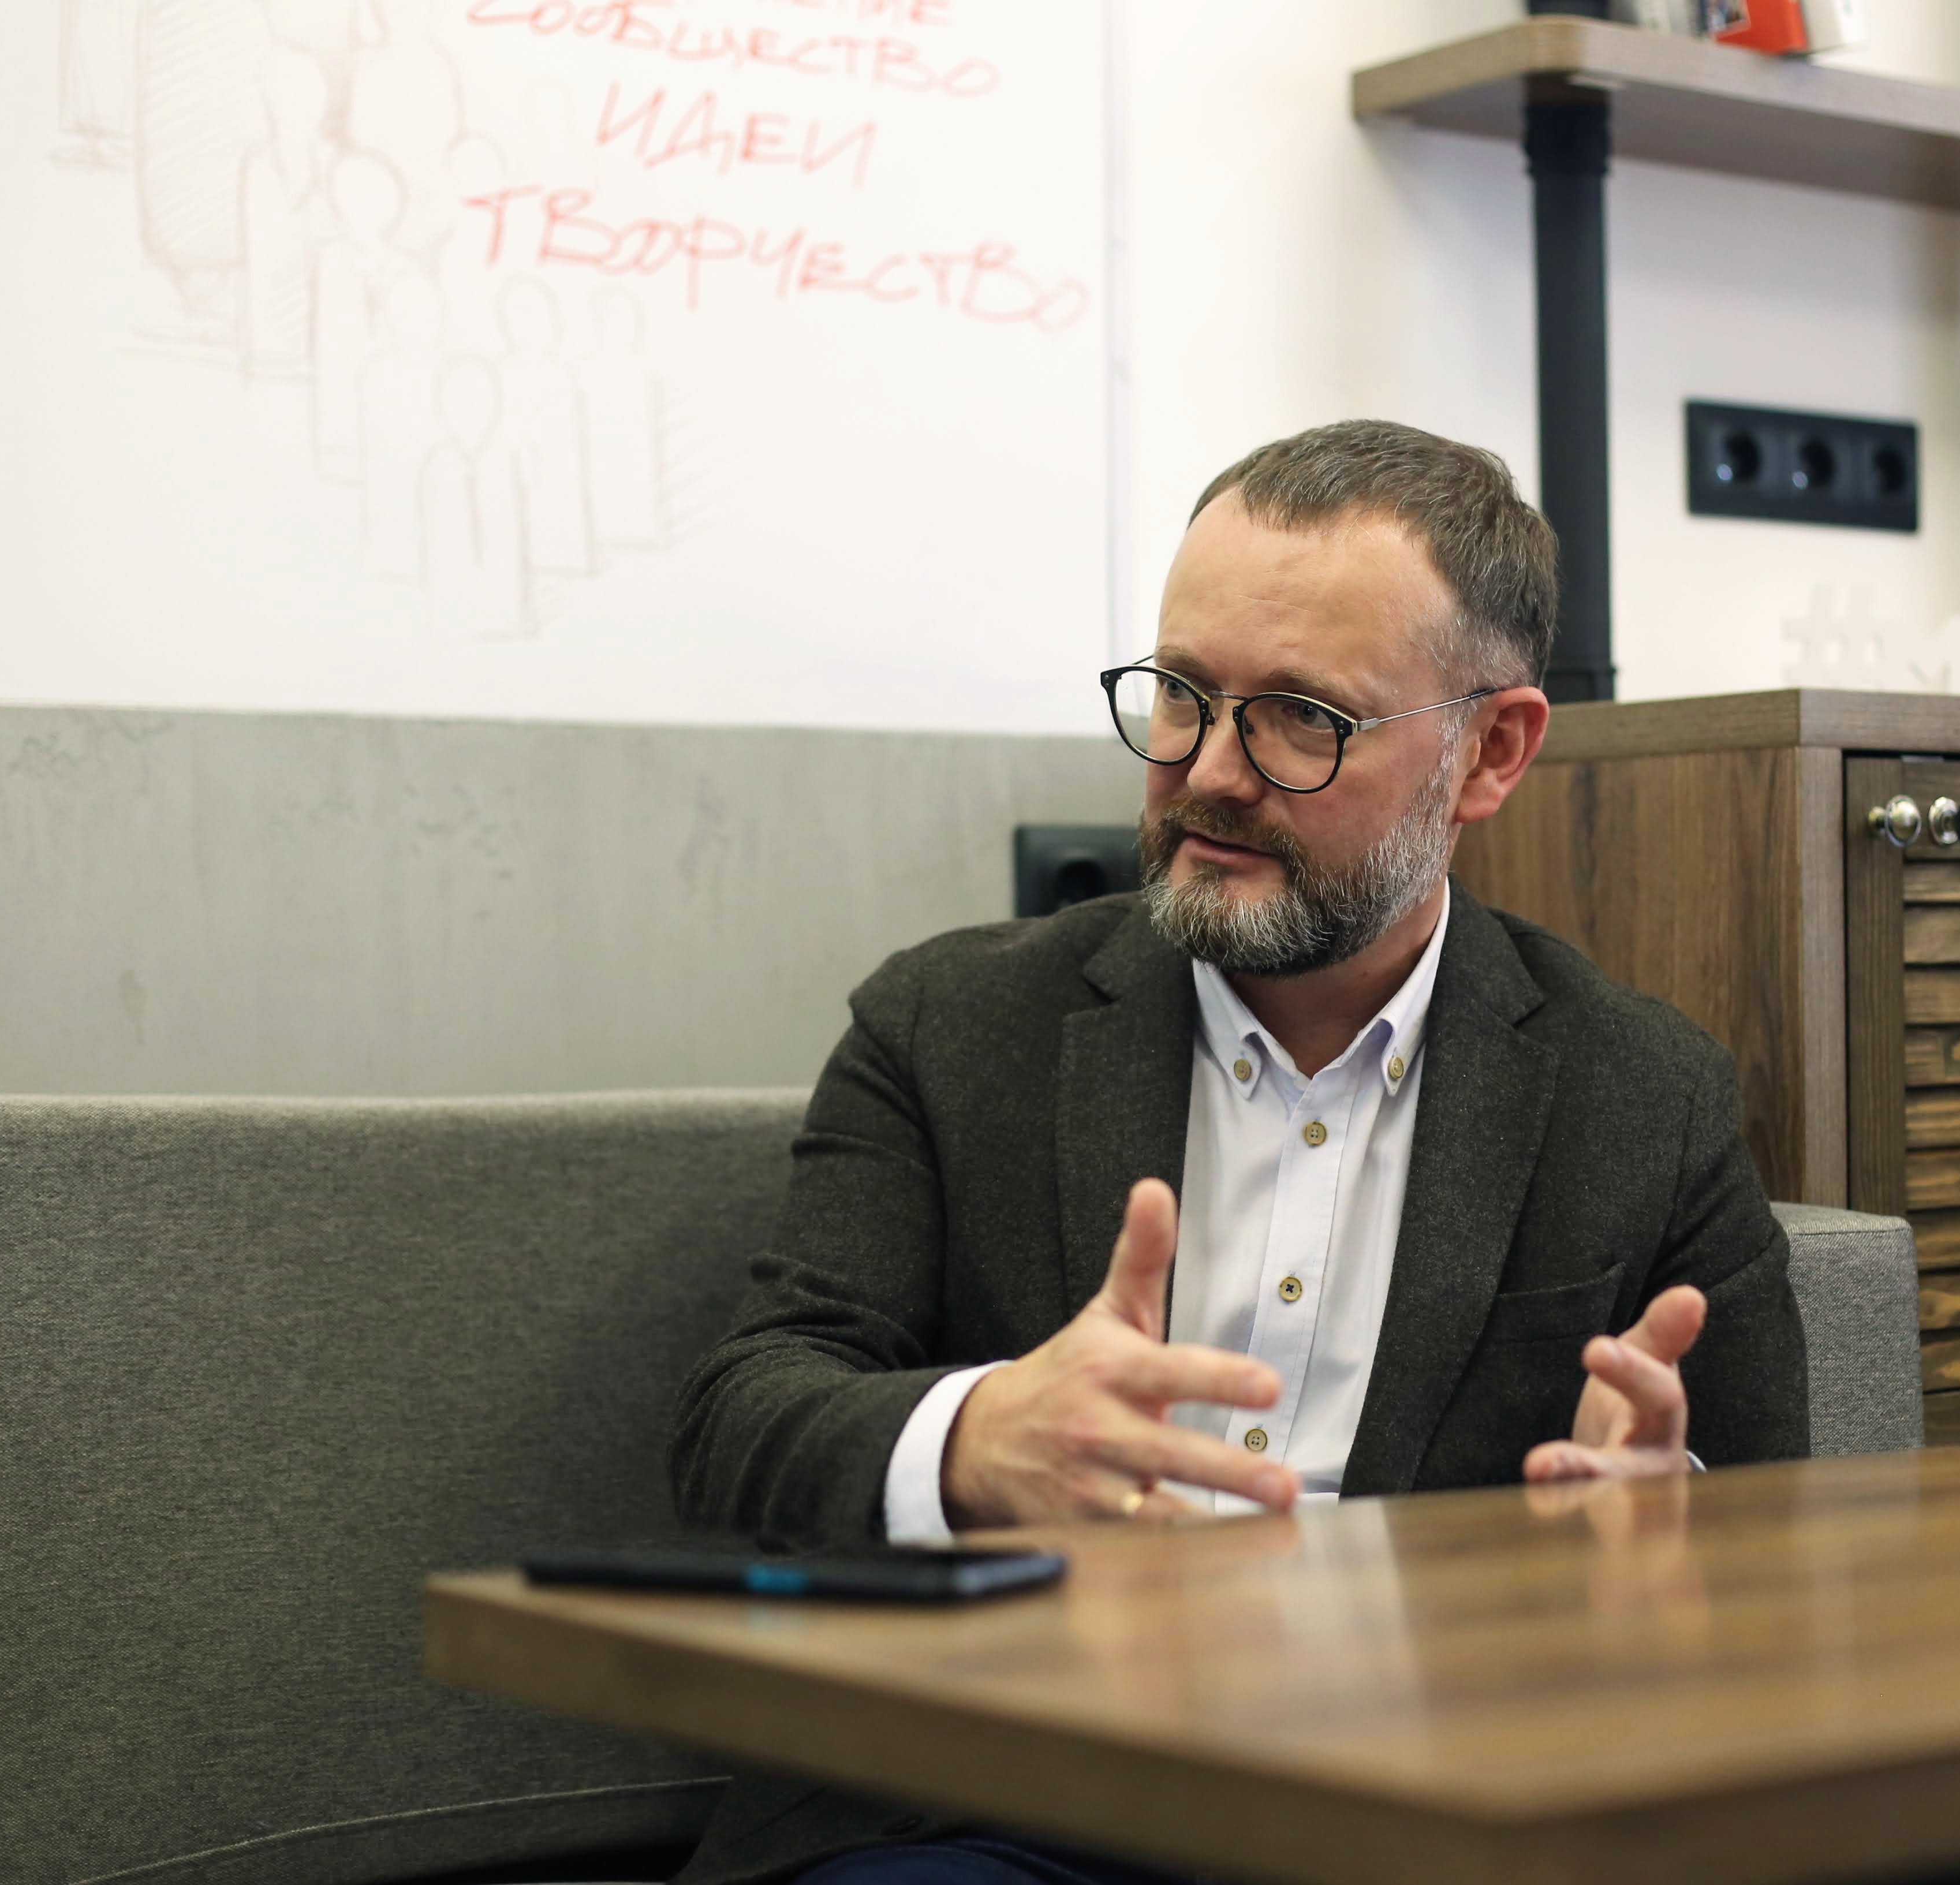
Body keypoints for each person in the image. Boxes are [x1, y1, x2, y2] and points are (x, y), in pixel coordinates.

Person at [666, 419, 1809, 1885]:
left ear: (1491, 751)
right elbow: (742, 1418)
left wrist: (1671, 1524)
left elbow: (1780, 1531)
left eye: (1299, 719)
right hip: (1008, 1801)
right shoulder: (954, 1026)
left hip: (1447, 1800)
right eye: (1181, 693)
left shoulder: (1639, 1090)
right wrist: (976, 1439)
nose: (1207, 770)